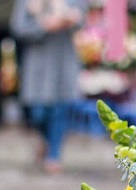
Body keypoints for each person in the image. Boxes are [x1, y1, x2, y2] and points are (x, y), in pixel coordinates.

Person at [10, 0, 85, 174]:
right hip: (38, 60)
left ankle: (54, 155)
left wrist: (68, 17)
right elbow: (19, 28)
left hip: (63, 59)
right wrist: (43, 25)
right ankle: (45, 140)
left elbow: (81, 21)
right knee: (38, 111)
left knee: (60, 109)